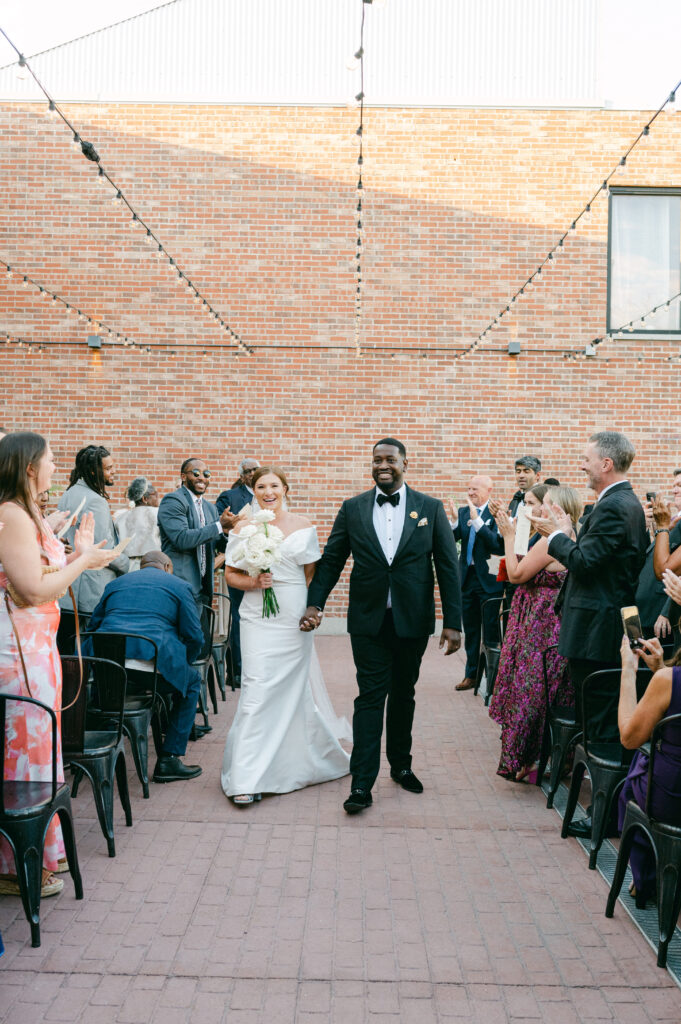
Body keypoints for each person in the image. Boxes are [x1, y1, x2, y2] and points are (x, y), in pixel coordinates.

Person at [301, 438, 462, 815]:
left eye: (390, 459)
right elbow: (333, 559)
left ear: (405, 463)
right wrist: (315, 603)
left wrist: (452, 622)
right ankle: (361, 783)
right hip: (368, 619)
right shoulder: (353, 508)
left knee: (404, 693)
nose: (382, 465)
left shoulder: (430, 508)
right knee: (370, 696)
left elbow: (448, 568)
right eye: (377, 460)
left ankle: (401, 765)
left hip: (412, 620)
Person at [0, 433, 116, 898]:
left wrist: (78, 559)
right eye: (49, 461)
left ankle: (41, 853)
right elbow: (31, 590)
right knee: (23, 756)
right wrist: (83, 559)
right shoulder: (10, 514)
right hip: (18, 655)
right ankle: (14, 866)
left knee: (42, 753)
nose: (53, 468)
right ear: (30, 466)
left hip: (38, 651)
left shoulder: (26, 515)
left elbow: (43, 574)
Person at [529, 431, 648, 839]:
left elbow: (584, 562)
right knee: (597, 724)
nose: (581, 464)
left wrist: (558, 537)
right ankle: (605, 813)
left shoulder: (617, 506)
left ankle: (606, 819)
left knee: (602, 730)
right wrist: (564, 531)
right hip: (597, 629)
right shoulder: (617, 503)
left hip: (598, 634)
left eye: (586, 458)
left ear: (606, 464)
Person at [220, 467, 351, 805]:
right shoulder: (244, 527)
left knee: (292, 692)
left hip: (292, 616)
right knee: (257, 688)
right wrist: (254, 582)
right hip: (256, 617)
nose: (268, 491)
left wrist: (313, 611)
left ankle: (295, 763)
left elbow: (312, 575)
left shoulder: (304, 525)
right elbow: (230, 574)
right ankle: (247, 777)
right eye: (261, 486)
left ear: (285, 489)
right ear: (253, 490)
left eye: (274, 485)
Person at [490, 485, 582, 782]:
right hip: (550, 624)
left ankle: (528, 760)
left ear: (560, 510)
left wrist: (506, 535)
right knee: (547, 694)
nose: (540, 510)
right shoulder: (571, 536)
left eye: (545, 505)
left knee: (530, 693)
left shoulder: (551, 541)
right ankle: (545, 758)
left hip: (540, 627)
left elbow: (517, 574)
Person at [87, 550, 205, 782]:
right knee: (191, 682)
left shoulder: (115, 584)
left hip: (109, 667)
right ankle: (169, 758)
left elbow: (94, 624)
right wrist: (183, 665)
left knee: (105, 679)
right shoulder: (180, 586)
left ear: (142, 566)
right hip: (153, 663)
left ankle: (98, 741)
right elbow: (195, 636)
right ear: (168, 566)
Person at [617, 633, 681, 906]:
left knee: (633, 780)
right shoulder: (669, 678)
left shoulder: (671, 680)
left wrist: (628, 671)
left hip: (672, 799)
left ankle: (646, 877)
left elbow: (630, 738)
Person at [57, 445, 130, 619]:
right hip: (91, 590)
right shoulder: (96, 501)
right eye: (108, 468)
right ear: (92, 471)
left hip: (69, 588)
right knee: (89, 643)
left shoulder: (68, 493)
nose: (114, 471)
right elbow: (103, 549)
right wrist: (127, 565)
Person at [158, 458, 239, 610]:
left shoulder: (210, 508)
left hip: (204, 587)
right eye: (196, 473)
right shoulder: (173, 500)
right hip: (180, 584)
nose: (202, 477)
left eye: (206, 474)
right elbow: (182, 538)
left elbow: (217, 542)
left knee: (201, 634)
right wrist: (219, 526)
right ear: (183, 477)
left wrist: (230, 531)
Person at [449, 476, 503, 692]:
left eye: (475, 488)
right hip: (468, 579)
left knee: (491, 631)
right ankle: (471, 675)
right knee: (470, 630)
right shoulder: (463, 512)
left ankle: (494, 679)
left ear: (489, 489)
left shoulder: (497, 512)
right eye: (468, 488)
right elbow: (453, 538)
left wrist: (478, 522)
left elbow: (498, 545)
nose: (470, 492)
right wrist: (454, 522)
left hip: (489, 580)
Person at [215, 458, 261, 685]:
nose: (252, 473)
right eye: (248, 471)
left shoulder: (267, 495)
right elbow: (218, 529)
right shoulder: (230, 497)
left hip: (266, 566)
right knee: (241, 616)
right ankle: (238, 672)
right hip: (240, 566)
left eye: (256, 470)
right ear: (241, 475)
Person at [636, 469, 681, 641]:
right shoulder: (674, 521)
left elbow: (669, 571)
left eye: (680, 485)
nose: (675, 490)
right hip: (645, 609)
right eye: (674, 486)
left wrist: (667, 612)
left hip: (662, 613)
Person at [113, 477, 161, 570]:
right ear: (144, 498)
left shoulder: (120, 518)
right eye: (155, 494)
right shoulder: (159, 514)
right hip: (154, 564)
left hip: (127, 567)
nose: (157, 497)